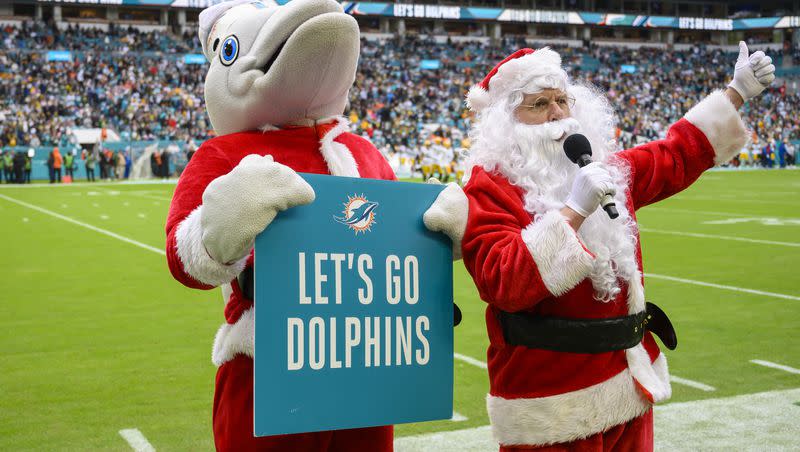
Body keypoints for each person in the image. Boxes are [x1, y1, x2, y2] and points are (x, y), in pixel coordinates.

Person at [164, 1, 466, 451]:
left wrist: (445, 235)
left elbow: (399, 236)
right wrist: (224, 220)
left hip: (365, 359)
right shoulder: (224, 154)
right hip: (267, 361)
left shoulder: (362, 151)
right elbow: (184, 259)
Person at [460, 42, 774, 451]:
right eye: (539, 104)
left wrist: (736, 92)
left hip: (627, 385)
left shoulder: (602, 168)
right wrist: (573, 211)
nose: (557, 113)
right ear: (506, 121)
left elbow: (675, 155)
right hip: (551, 401)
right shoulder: (489, 187)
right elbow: (502, 281)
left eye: (561, 100)